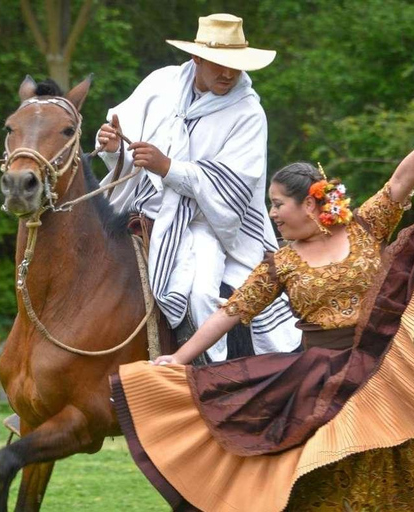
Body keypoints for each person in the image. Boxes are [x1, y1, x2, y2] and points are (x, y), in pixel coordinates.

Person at [109, 134, 414, 511]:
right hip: (316, 379)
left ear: (311, 201)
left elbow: (400, 183)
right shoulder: (280, 262)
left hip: (385, 371)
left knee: (395, 474)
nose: (273, 215)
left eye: (278, 204)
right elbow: (230, 311)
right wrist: (179, 358)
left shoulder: (365, 226)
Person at [95, 13, 300, 361]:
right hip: (143, 207)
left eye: (235, 66)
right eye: (219, 64)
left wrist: (168, 167)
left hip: (208, 225)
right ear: (197, 58)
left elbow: (234, 188)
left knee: (201, 293)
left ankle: (209, 376)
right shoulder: (161, 84)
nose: (228, 74)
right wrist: (112, 146)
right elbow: (125, 145)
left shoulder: (248, 112)